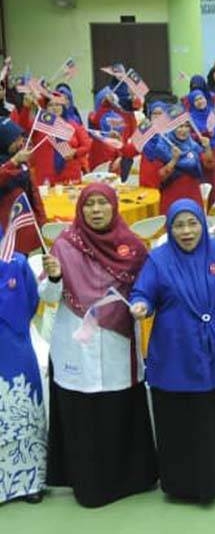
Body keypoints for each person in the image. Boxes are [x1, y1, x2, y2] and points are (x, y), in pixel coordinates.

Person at [40, 183, 157, 507]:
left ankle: (132, 479)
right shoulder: (64, 245)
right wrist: (53, 278)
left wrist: (142, 304)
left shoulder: (132, 247)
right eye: (89, 204)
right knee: (84, 412)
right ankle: (89, 484)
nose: (95, 210)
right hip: (76, 343)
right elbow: (48, 299)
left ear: (113, 206)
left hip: (119, 341)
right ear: (81, 209)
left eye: (101, 204)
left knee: (119, 408)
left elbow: (147, 290)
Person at [129, 200, 215, 503]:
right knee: (177, 420)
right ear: (170, 229)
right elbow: (143, 290)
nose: (186, 231)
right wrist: (141, 304)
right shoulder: (158, 260)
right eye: (178, 225)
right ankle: (179, 485)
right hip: (175, 352)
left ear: (202, 224)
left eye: (192, 223)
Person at [0, 227, 43, 505]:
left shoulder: (16, 261)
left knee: (23, 409)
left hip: (15, 345)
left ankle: (30, 482)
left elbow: (31, 300)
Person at [150, 106, 213, 215]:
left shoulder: (193, 145)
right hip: (172, 196)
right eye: (179, 127)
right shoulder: (162, 148)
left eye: (186, 126)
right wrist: (174, 160)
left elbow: (209, 165)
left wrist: (207, 147)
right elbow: (160, 177)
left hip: (193, 195)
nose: (183, 130)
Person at [0, 118, 46, 253]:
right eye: (16, 140)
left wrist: (42, 221)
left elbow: (33, 193)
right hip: (6, 230)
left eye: (21, 138)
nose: (21, 143)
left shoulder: (21, 161)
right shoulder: (14, 161)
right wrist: (13, 162)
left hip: (26, 227)